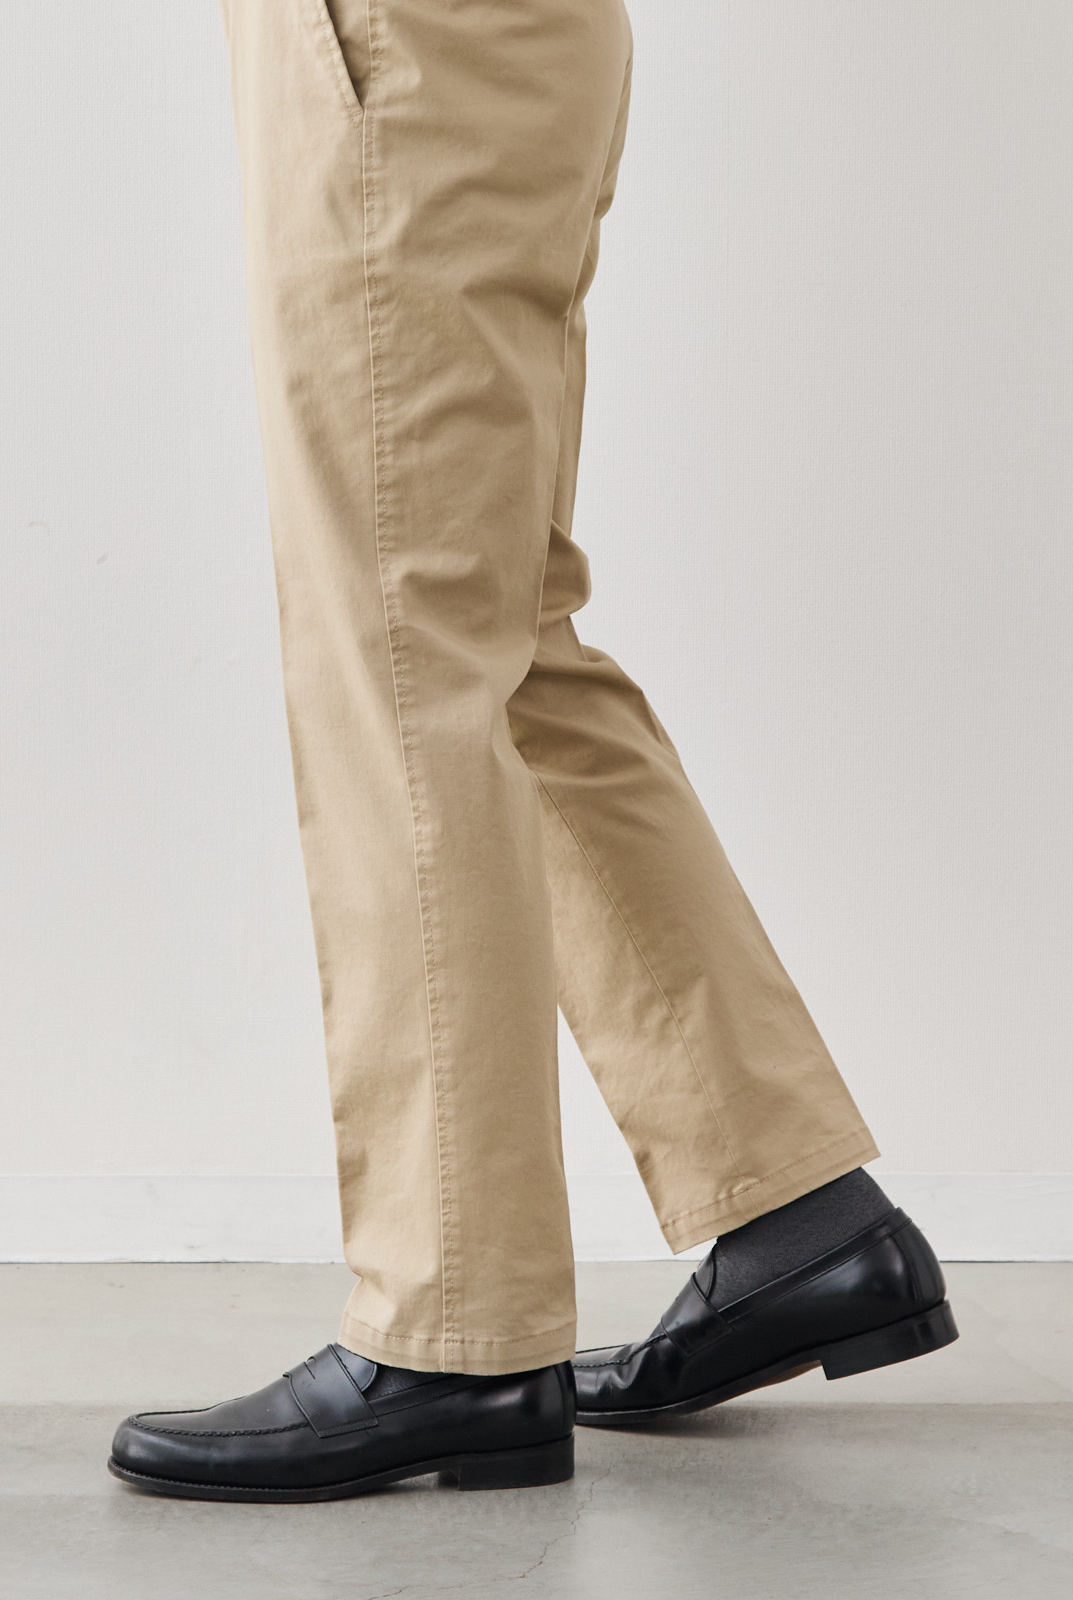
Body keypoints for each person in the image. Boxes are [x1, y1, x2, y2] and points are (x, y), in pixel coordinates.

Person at [108, 0, 956, 1503]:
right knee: (497, 642)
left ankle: (457, 1328)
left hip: (398, 43)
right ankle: (800, 1217)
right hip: (488, 46)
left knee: (406, 656)